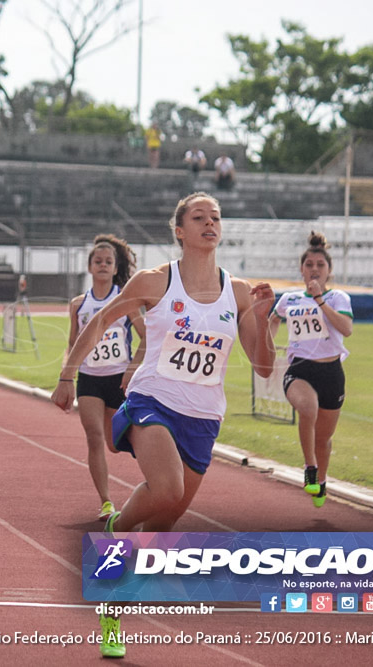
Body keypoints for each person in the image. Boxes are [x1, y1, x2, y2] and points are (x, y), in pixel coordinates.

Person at [51, 192, 275, 659]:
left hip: (204, 416)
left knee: (165, 523)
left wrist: (264, 319)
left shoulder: (237, 291)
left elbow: (263, 367)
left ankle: (113, 604)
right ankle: (114, 529)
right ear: (180, 230)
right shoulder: (155, 280)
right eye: (199, 217)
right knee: (168, 488)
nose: (210, 223)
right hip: (152, 399)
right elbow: (99, 323)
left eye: (216, 217)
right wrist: (68, 374)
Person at [63, 235, 145, 522]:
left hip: (118, 380)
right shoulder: (78, 305)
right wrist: (66, 379)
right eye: (97, 261)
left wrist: (132, 369)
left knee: (115, 442)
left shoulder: (126, 301)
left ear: (114, 268)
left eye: (108, 262)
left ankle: (154, 484)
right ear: (89, 267)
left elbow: (147, 338)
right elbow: (73, 344)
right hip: (89, 379)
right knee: (95, 438)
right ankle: (107, 502)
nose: (102, 265)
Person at [269, 231, 353, 508]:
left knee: (324, 438)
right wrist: (267, 344)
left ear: (329, 270)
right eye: (309, 265)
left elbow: (346, 329)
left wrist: (320, 301)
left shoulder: (338, 297)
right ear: (302, 269)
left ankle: (322, 481)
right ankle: (310, 468)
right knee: (308, 409)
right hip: (300, 370)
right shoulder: (289, 299)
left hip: (331, 373)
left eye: (320, 265)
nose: (314, 269)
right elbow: (273, 319)